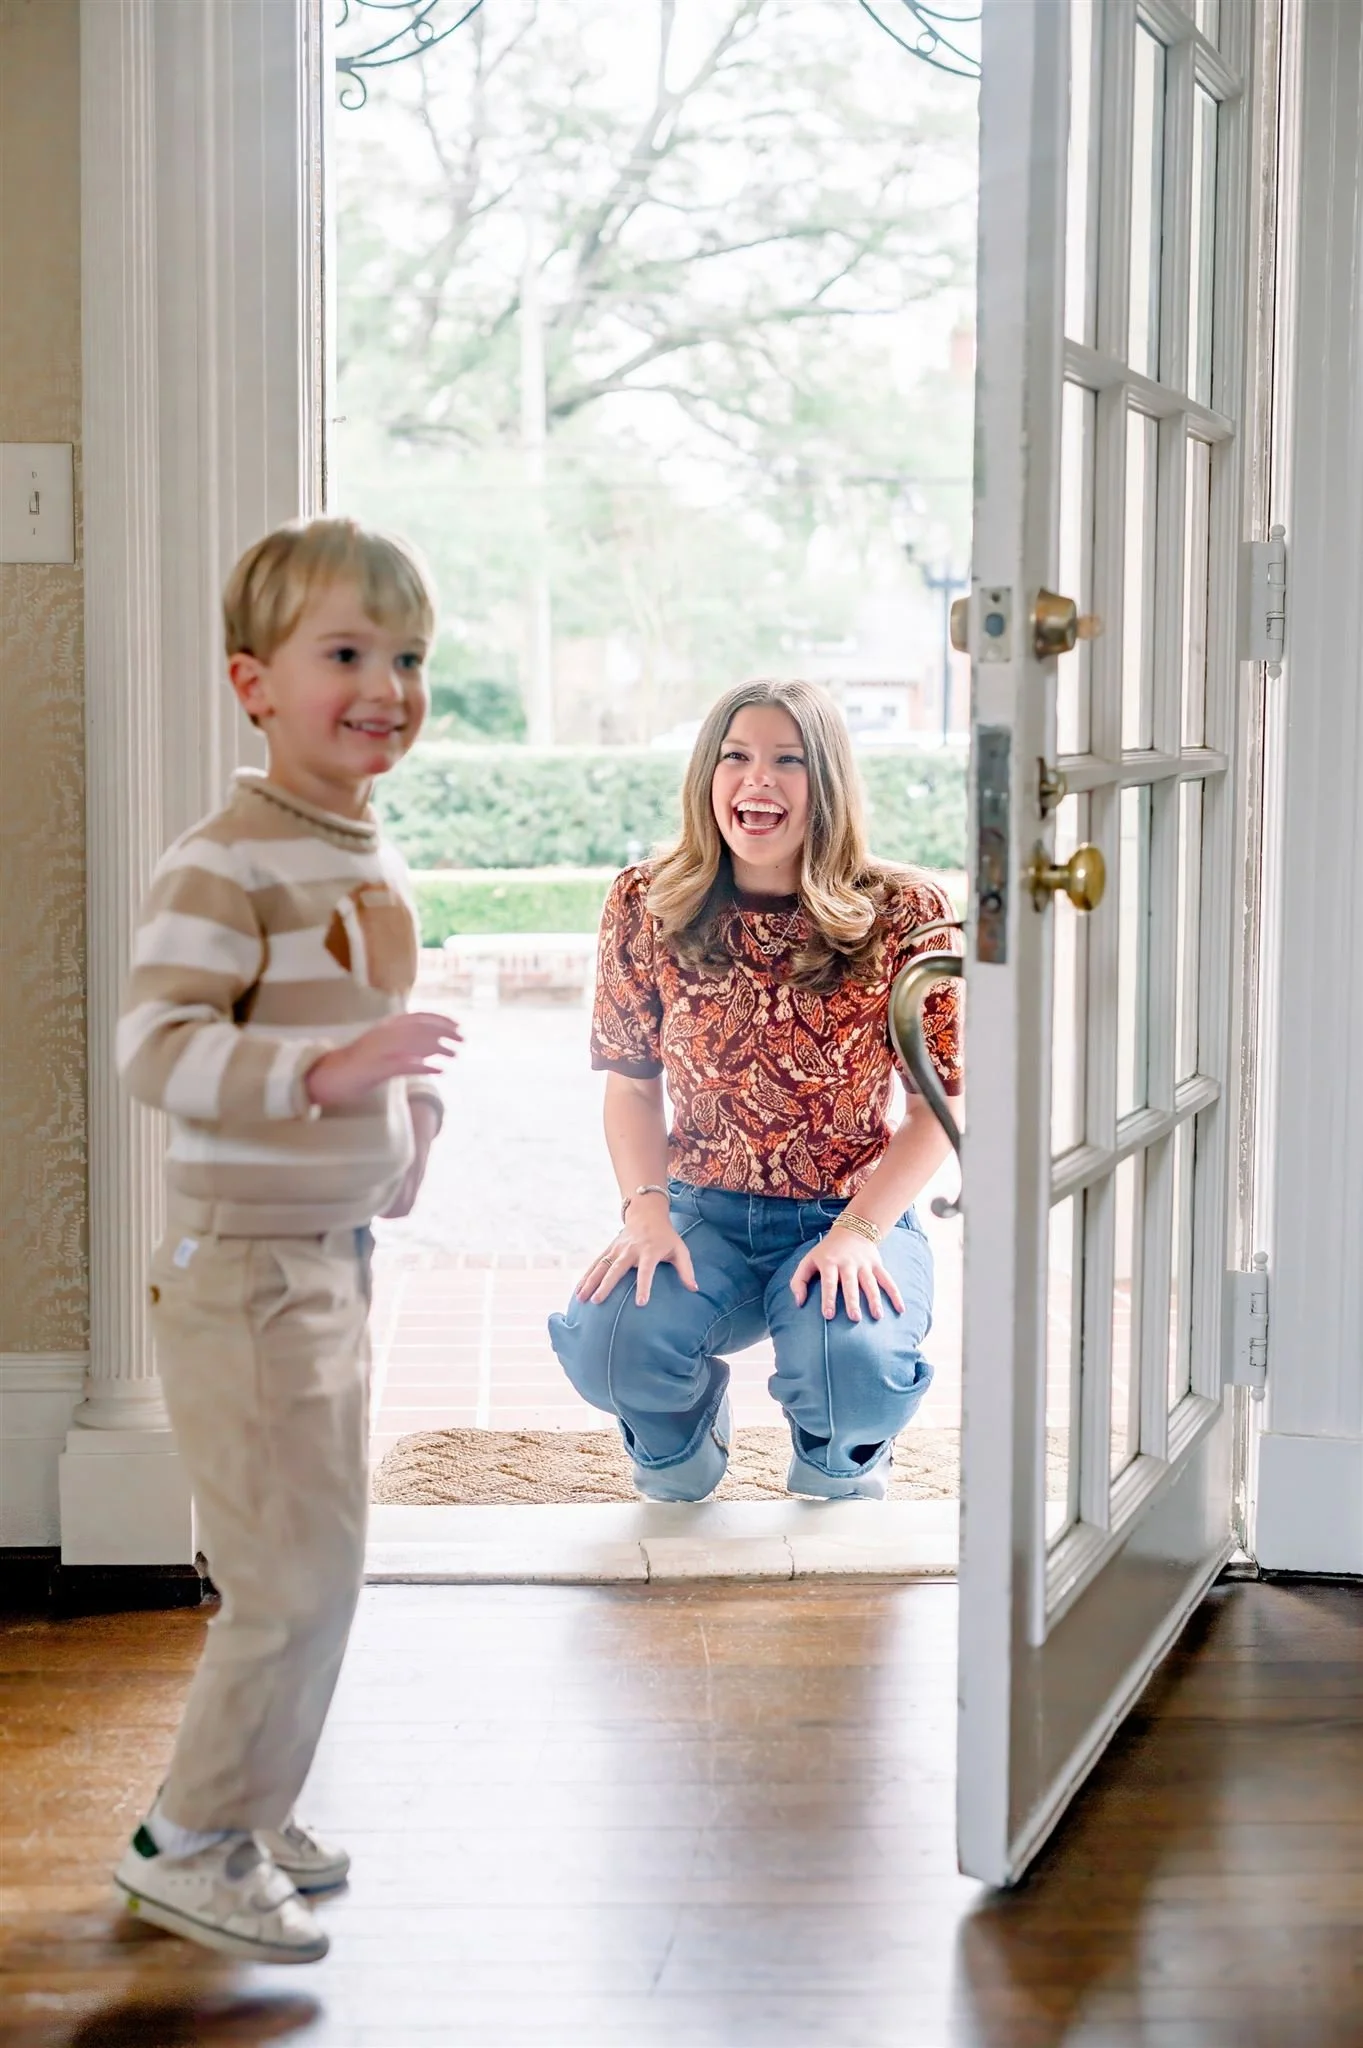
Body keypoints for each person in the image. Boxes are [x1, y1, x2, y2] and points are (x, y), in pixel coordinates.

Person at [111, 518, 459, 1962]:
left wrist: (403, 1119)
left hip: (322, 1256)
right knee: (291, 1574)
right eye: (346, 654)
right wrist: (325, 1077)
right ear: (252, 684)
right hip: (246, 1270)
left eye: (408, 657)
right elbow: (156, 1046)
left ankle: (244, 1801)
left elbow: (361, 1026)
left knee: (326, 1552)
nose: (385, 686)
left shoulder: (350, 844)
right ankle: (193, 1840)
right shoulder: (226, 863)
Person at [549, 679, 962, 1503]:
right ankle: (682, 1443)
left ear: (827, 782)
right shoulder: (645, 901)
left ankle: (838, 1456)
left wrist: (859, 1232)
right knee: (608, 1343)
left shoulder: (906, 911)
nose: (757, 779)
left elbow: (936, 1108)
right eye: (735, 756)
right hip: (700, 1210)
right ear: (708, 775)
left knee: (852, 1370)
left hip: (845, 1210)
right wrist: (645, 1213)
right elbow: (632, 1088)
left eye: (789, 760)